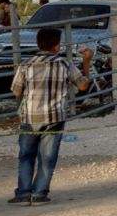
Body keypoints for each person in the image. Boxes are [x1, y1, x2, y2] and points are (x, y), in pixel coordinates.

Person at [8, 22, 95, 205]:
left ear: (38, 44)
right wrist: (87, 62)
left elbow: (16, 92)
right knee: (47, 157)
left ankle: (23, 193)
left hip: (29, 117)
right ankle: (40, 193)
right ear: (57, 46)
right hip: (55, 117)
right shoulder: (64, 64)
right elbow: (83, 85)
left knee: (26, 155)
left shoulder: (26, 65)